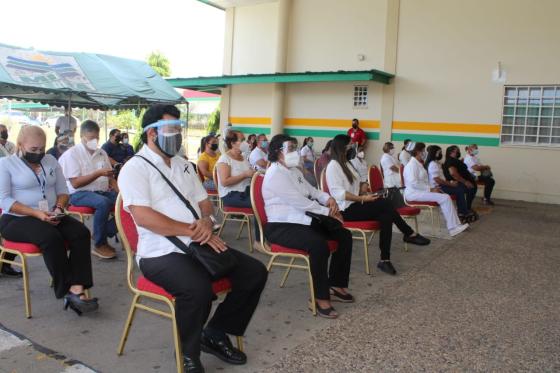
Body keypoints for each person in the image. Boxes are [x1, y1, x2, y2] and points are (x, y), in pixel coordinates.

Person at [118, 104, 267, 372]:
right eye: (171, 130)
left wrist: (206, 222)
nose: (176, 134)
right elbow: (143, 217)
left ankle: (216, 332)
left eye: (178, 129)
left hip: (199, 241)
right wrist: (192, 231)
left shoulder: (184, 166)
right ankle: (189, 354)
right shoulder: (134, 168)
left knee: (254, 272)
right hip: (159, 251)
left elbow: (205, 203)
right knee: (197, 290)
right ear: (152, 134)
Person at [0, 125, 97, 314]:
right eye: (33, 149)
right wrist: (37, 214)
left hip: (51, 213)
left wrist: (59, 208)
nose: (38, 153)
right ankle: (67, 290)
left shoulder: (51, 160)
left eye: (42, 148)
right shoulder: (6, 164)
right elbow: (4, 200)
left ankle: (77, 287)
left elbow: (63, 191)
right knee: (51, 237)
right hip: (16, 219)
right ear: (20, 145)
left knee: (81, 233)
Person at [263, 134, 353, 318]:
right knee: (318, 245)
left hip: (303, 219)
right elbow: (299, 202)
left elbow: (311, 191)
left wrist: (328, 198)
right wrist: (329, 212)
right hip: (281, 226)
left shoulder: (293, 171)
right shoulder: (275, 174)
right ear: (277, 152)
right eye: (290, 148)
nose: (295, 152)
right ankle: (320, 298)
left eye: (295, 148)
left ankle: (336, 284)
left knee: (344, 235)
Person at [326, 135, 430, 275]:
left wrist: (364, 186)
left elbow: (358, 182)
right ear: (341, 147)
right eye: (350, 145)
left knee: (386, 216)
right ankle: (408, 233)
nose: (353, 148)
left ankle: (384, 260)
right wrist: (363, 199)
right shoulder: (333, 166)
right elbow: (338, 193)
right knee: (386, 203)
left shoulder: (348, 163)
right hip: (346, 210)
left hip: (356, 203)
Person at [59, 120, 119, 259]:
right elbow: (75, 184)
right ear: (82, 137)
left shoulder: (102, 153)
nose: (94, 141)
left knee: (127, 204)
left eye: (97, 138)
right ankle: (99, 244)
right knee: (103, 203)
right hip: (77, 194)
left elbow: (110, 178)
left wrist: (121, 193)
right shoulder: (72, 154)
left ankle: (101, 232)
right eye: (91, 139)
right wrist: (97, 173)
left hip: (101, 192)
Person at [403, 142, 469, 237]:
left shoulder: (418, 164)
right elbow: (414, 183)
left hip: (421, 191)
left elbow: (424, 181)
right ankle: (453, 228)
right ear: (418, 152)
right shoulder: (411, 165)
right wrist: (430, 189)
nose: (425, 153)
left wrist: (434, 188)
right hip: (413, 193)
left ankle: (456, 225)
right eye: (423, 151)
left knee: (445, 196)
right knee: (445, 198)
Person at [425, 145, 476, 224]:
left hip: (442, 184)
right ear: (434, 153)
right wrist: (450, 184)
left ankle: (463, 211)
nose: (441, 154)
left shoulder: (436, 163)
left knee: (460, 189)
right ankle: (463, 212)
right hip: (438, 187)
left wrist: (450, 182)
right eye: (439, 152)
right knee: (459, 190)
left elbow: (442, 177)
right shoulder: (432, 164)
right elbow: (437, 180)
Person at [216, 130, 256, 208]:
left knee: (266, 199)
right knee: (258, 204)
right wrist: (245, 175)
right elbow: (224, 182)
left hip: (246, 191)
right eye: (242, 140)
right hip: (231, 194)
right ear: (233, 143)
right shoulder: (225, 159)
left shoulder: (243, 157)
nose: (246, 143)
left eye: (245, 140)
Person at [443, 145, 478, 216]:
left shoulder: (454, 160)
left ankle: (467, 208)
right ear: (452, 152)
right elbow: (453, 173)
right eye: (457, 150)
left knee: (471, 188)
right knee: (467, 189)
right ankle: (463, 210)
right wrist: (465, 182)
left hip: (464, 180)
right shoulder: (450, 160)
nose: (459, 152)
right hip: (458, 182)